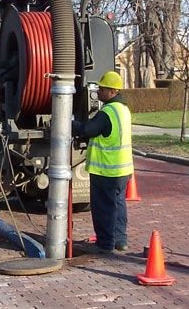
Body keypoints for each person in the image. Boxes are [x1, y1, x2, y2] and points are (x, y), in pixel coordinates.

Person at [73, 71, 133, 254]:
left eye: (102, 89)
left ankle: (105, 244)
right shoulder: (124, 109)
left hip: (106, 171)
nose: (98, 92)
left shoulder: (108, 112)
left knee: (103, 207)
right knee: (119, 204)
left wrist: (71, 123)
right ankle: (120, 240)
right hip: (123, 169)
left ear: (112, 91)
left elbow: (88, 130)